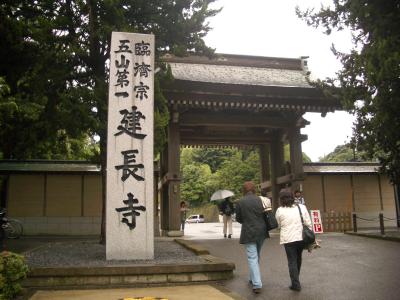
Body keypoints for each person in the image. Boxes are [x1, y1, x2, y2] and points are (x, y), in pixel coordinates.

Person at [235, 181, 269, 294]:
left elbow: (239, 218)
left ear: (244, 190)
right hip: (262, 231)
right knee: (256, 255)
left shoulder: (240, 202)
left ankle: (257, 284)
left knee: (252, 257)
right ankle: (252, 277)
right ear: (254, 189)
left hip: (249, 231)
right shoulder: (261, 199)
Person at [275, 190, 312, 292]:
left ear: (281, 199)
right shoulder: (301, 207)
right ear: (293, 197)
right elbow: (308, 223)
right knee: (298, 258)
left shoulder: (279, 210)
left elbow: (278, 225)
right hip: (300, 237)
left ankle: (295, 284)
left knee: (292, 261)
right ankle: (296, 280)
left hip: (288, 239)